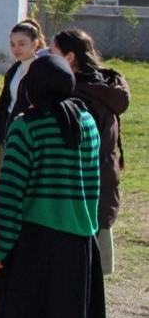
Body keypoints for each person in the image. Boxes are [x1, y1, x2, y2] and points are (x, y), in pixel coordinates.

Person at [0, 54, 108, 318]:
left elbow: (11, 194)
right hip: (79, 239)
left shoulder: (27, 127)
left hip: (36, 241)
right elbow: (95, 181)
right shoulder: (86, 121)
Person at [51, 28, 130, 274]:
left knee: (80, 260)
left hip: (82, 177)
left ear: (70, 57)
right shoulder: (105, 85)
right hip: (104, 172)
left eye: (53, 54)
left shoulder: (76, 92)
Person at [0, 19, 46, 146]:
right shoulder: (14, 69)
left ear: (35, 44)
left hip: (32, 132)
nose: (16, 49)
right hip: (10, 128)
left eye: (22, 44)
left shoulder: (43, 69)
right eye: (12, 44)